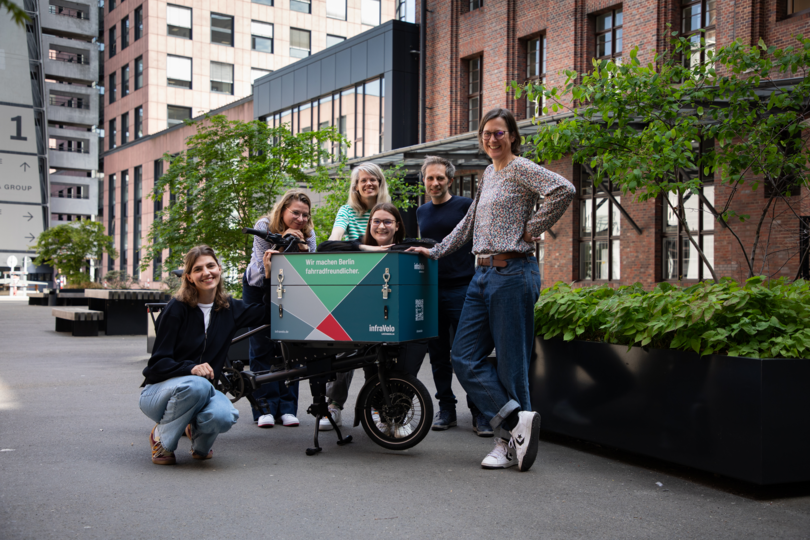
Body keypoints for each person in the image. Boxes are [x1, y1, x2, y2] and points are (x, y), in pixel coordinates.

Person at [408, 108, 575, 472]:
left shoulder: (521, 168)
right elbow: (469, 222)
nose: (492, 139)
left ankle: (506, 442)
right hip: (480, 275)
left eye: (499, 133)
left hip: (513, 271)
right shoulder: (488, 173)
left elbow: (564, 189)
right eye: (486, 133)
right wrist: (434, 250)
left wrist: (533, 229)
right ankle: (518, 424)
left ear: (512, 136)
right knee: (463, 356)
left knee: (512, 366)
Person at [140, 245, 276, 465]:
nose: (206, 272)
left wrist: (268, 277)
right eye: (198, 269)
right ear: (189, 277)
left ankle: (199, 442)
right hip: (159, 395)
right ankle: (161, 440)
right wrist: (190, 368)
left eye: (211, 266)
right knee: (199, 385)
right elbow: (156, 365)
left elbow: (269, 313)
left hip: (201, 393)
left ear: (219, 269)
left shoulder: (229, 308)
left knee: (225, 414)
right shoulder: (176, 309)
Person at [415, 156, 491, 436]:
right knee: (437, 354)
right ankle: (446, 409)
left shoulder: (465, 206)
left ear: (450, 180)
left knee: (468, 355)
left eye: (440, 178)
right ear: (424, 181)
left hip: (463, 288)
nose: (435, 183)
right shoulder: (422, 211)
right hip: (432, 289)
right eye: (430, 178)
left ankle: (478, 411)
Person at [319, 163, 392, 431]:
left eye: (374, 179)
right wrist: (365, 249)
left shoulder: (386, 211)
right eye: (363, 180)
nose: (369, 184)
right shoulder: (347, 212)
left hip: (382, 288)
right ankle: (334, 407)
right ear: (356, 185)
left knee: (379, 351)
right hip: (351, 289)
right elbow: (329, 243)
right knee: (346, 351)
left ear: (380, 183)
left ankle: (377, 408)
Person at [243, 189, 316, 428]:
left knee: (290, 347)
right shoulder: (264, 225)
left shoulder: (309, 233)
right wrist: (285, 241)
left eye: (305, 215)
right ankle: (263, 407)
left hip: (292, 287)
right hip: (260, 284)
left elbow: (311, 270)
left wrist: (303, 248)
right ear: (283, 210)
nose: (301, 219)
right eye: (296, 213)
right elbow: (263, 267)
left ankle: (287, 408)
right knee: (261, 344)